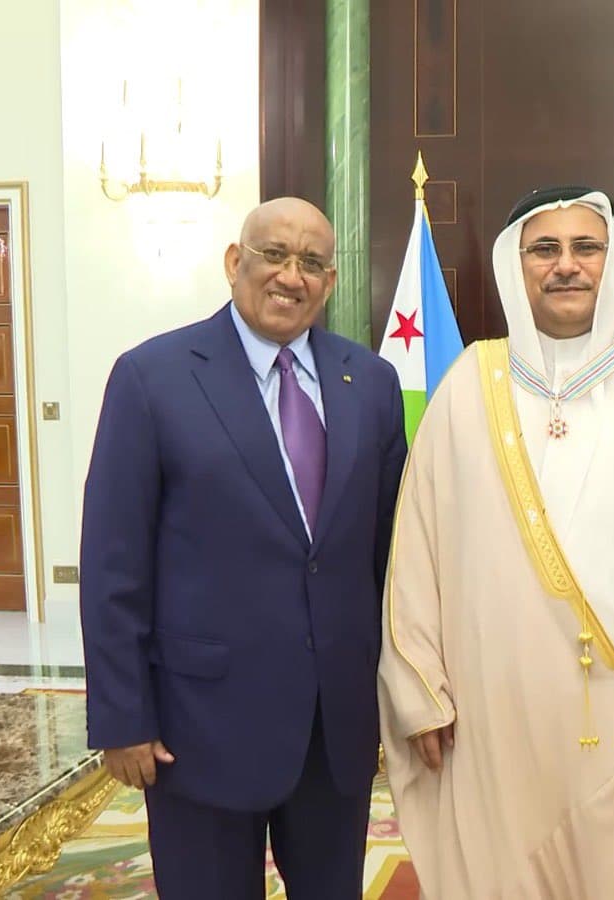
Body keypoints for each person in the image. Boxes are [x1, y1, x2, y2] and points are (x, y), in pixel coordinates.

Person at [377, 186, 614, 897]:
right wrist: (420, 688)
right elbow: (416, 551)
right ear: (515, 265)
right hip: (497, 712)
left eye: (586, 247)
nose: (566, 266)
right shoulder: (468, 386)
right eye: (544, 249)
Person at [80, 197, 408, 898]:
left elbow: (391, 556)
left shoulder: (371, 383)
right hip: (199, 729)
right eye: (274, 255)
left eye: (312, 262)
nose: (291, 276)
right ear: (235, 262)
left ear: (330, 282)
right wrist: (122, 716)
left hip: (333, 729)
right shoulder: (153, 377)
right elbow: (113, 563)